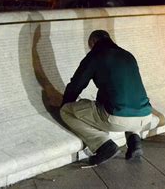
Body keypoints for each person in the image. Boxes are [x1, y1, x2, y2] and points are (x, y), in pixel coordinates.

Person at [60, 30, 153, 166]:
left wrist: (65, 103)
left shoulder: (96, 55)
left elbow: (76, 85)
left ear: (92, 42)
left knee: (66, 111)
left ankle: (103, 145)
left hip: (117, 118)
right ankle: (135, 142)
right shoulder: (128, 55)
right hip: (145, 116)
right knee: (128, 103)